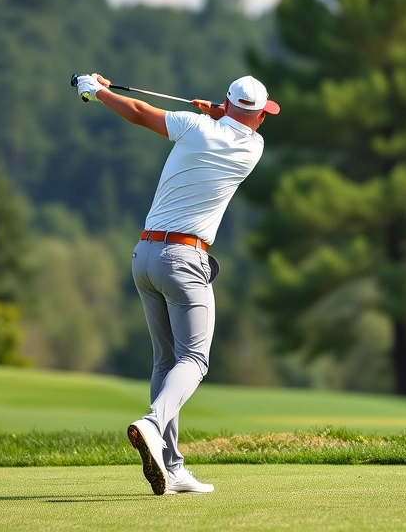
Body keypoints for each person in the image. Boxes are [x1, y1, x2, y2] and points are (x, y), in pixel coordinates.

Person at [74, 73, 279, 495]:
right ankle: (151, 424)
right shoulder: (252, 147)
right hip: (185, 261)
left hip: (144, 256)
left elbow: (138, 112)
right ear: (259, 116)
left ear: (226, 102)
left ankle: (171, 468)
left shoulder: (193, 126)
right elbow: (238, 122)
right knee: (195, 360)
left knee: (165, 362)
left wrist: (97, 90)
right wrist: (220, 113)